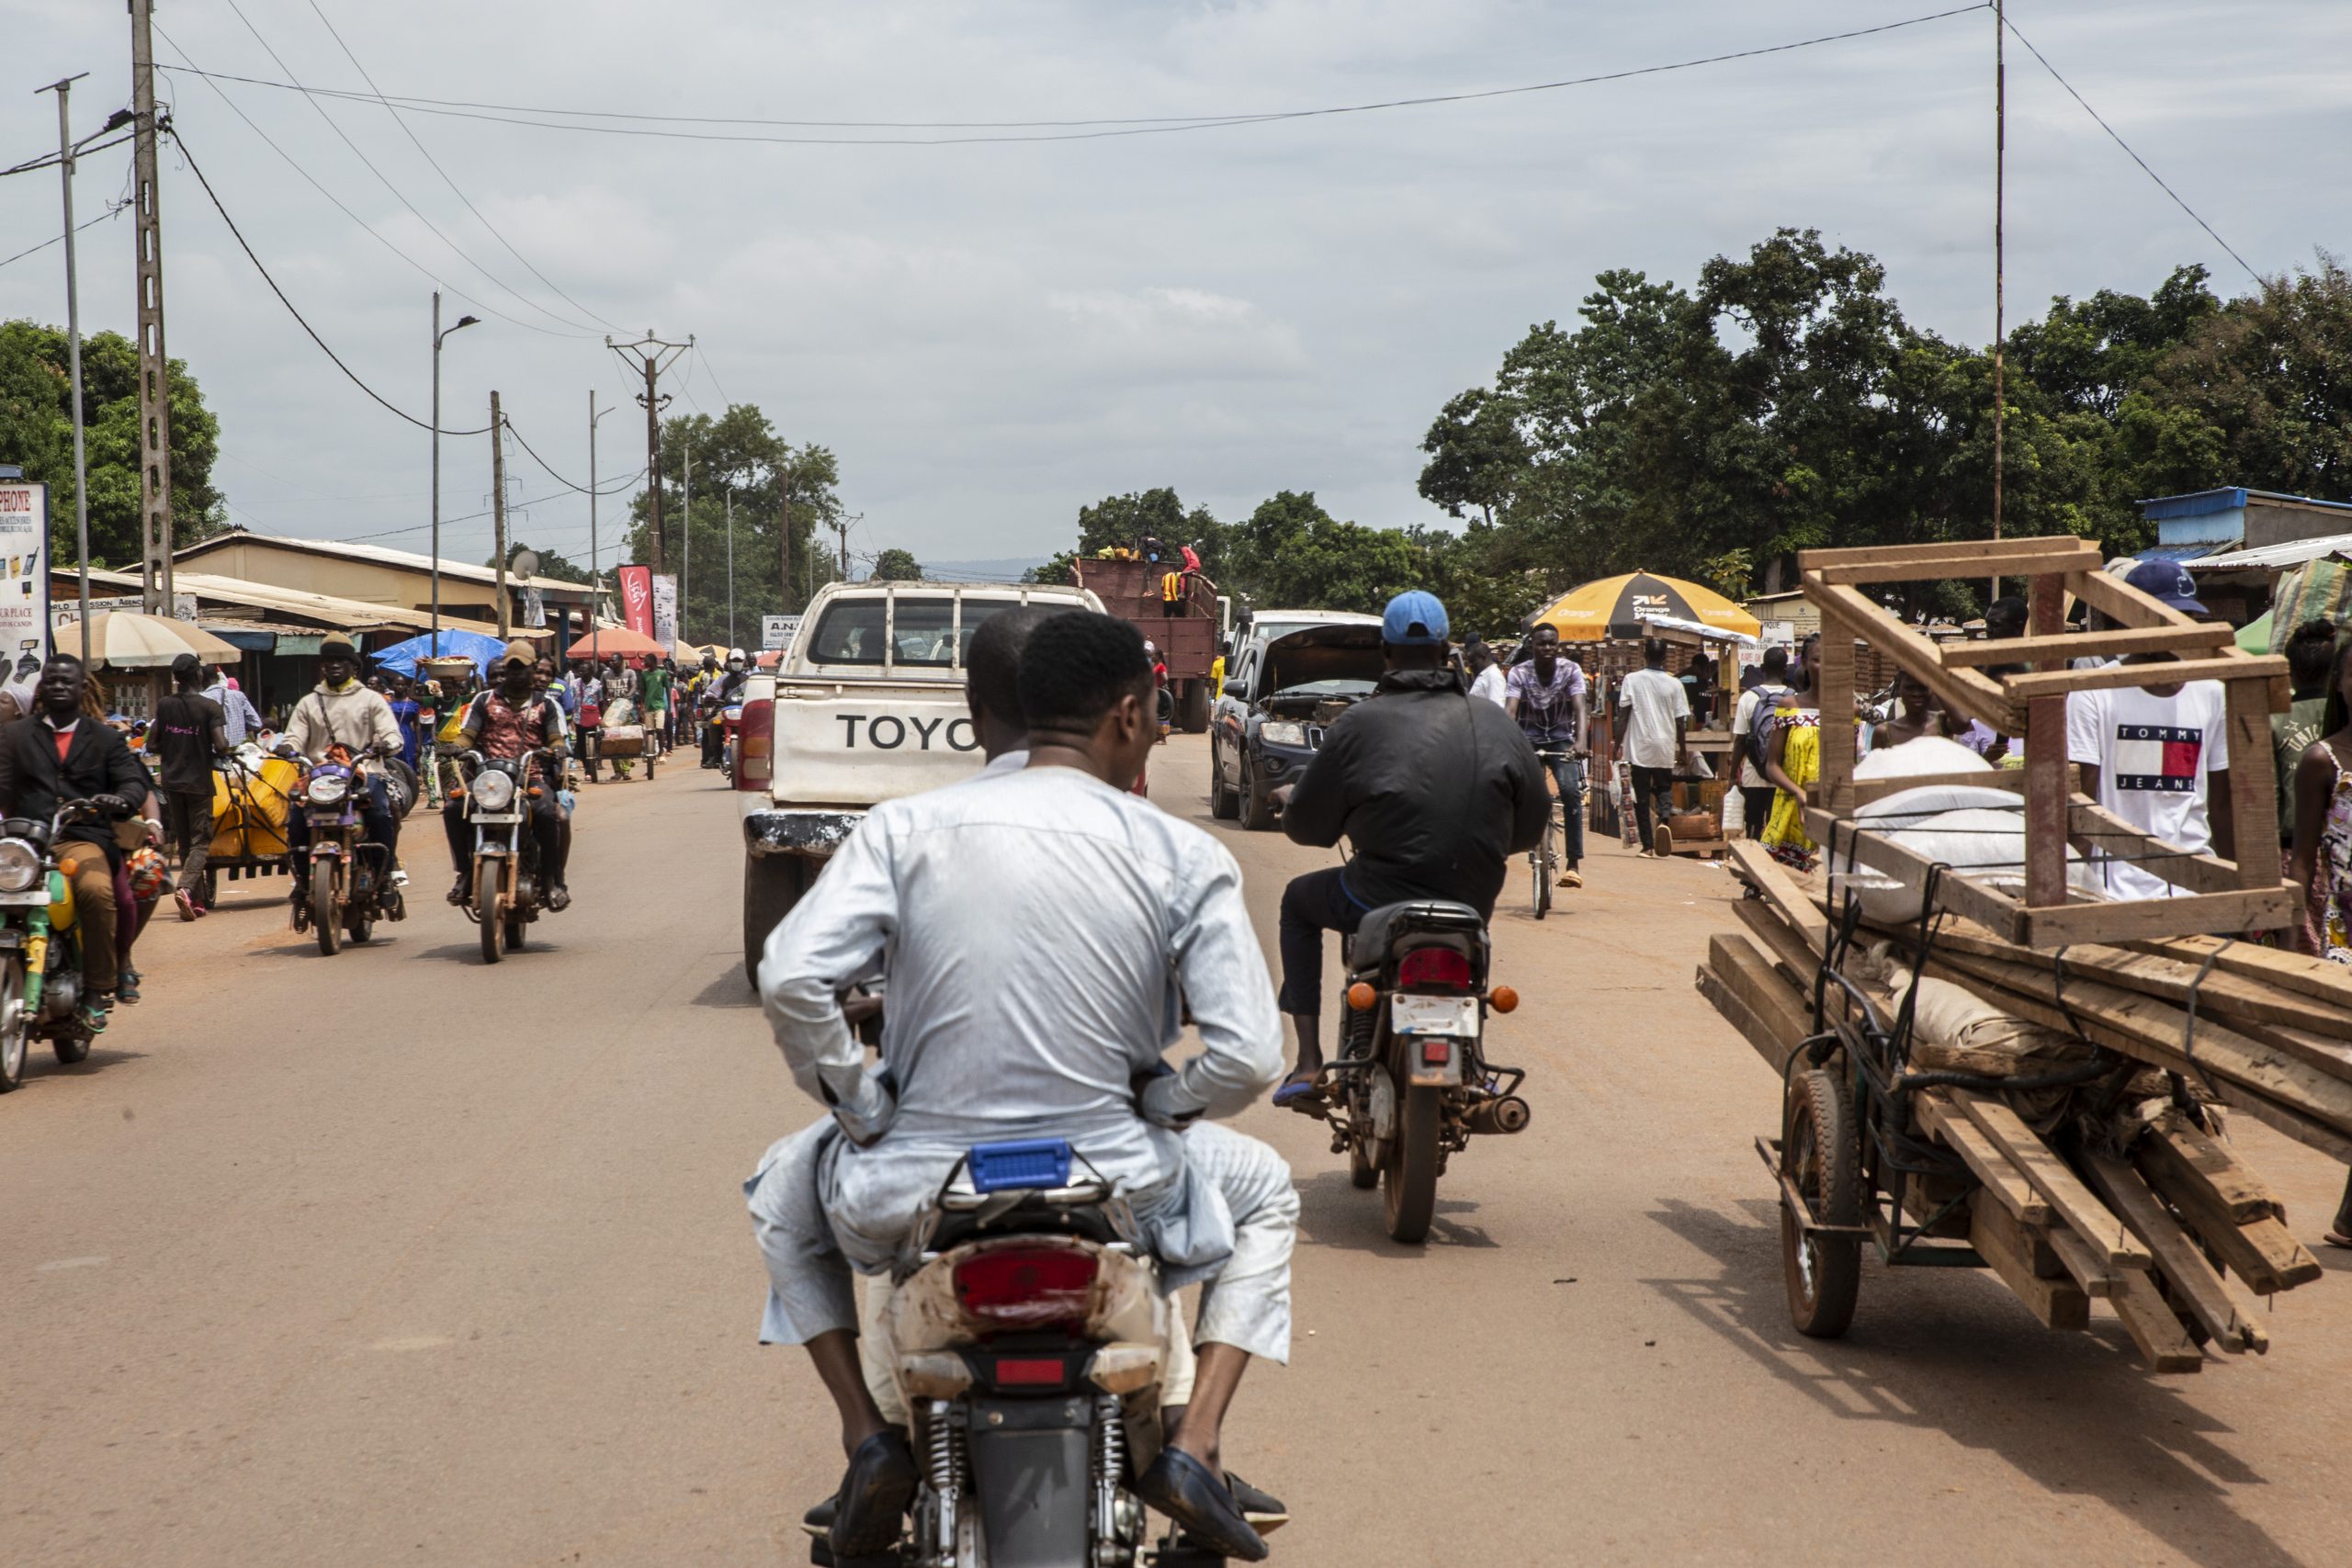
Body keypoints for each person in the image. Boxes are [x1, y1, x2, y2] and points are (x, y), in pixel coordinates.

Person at [752, 610, 1295, 1560]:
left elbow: (793, 975)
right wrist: (1161, 1104)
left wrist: (859, 1102)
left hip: (916, 1182)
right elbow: (1249, 1058)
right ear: (1128, 716)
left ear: (994, 714)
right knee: (1267, 1192)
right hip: (1116, 1181)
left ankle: (867, 1441)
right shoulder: (1177, 851)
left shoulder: (903, 830)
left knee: (779, 1195)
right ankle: (1198, 1443)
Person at [1272, 591, 1546, 1105]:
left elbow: (1309, 829)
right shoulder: (1496, 723)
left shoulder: (1356, 725)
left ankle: (1309, 1063)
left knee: (1297, 903)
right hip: (1470, 901)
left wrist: (1292, 802)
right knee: (1475, 959)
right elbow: (1530, 830)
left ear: (1387, 653)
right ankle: (1471, 1061)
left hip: (1375, 898)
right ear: (1447, 651)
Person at [2065, 563, 2233, 902]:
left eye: (2184, 620)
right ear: (2134, 622)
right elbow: (2081, 807)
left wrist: (2237, 889)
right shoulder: (2095, 693)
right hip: (2117, 895)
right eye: (2164, 619)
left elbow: (2223, 806)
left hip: (2197, 889)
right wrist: (2079, 897)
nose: (2176, 631)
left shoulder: (2212, 692)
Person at [0, 654, 151, 1030]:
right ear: (40, 688)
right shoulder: (14, 735)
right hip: (22, 842)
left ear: (82, 688)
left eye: (67, 681)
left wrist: (123, 799)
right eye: (51, 680)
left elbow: (133, 781)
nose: (58, 687)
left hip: (80, 839)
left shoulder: (105, 738)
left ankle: (98, 988)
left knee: (97, 891)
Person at [2285, 638, 2352, 1247]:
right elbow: (2303, 857)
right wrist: (2288, 934)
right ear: (2341, 682)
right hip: (2344, 930)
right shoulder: (2322, 760)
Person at [281, 636, 408, 913]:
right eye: (328, 661)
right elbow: (294, 736)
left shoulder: (371, 700)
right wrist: (286, 747)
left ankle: (384, 876)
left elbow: (391, 734)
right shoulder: (308, 703)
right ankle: (302, 882)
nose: (334, 666)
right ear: (321, 667)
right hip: (320, 778)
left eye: (341, 661)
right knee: (296, 822)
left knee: (380, 814)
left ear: (354, 667)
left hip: (365, 772)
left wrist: (384, 744)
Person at [446, 641, 571, 910]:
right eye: (511, 668)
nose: (515, 674)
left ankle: (552, 881)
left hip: (530, 777)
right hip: (490, 779)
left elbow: (555, 736)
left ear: (532, 670)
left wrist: (557, 749)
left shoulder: (545, 705)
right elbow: (469, 733)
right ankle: (465, 872)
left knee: (549, 814)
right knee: (454, 807)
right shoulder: (484, 700)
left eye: (521, 669)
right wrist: (459, 747)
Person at [1504, 625, 1589, 887]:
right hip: (1527, 739)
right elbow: (1510, 710)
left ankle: (1573, 863)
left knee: (1570, 790)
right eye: (1542, 644)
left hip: (1562, 739)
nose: (1547, 649)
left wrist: (1581, 741)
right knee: (1520, 792)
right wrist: (1506, 741)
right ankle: (1523, 839)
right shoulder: (1519, 673)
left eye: (1552, 643)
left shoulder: (1571, 670)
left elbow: (1580, 707)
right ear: (1532, 646)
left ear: (1558, 645)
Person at [150, 653, 229, 920]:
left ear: (175, 678)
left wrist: (174, 745)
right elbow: (221, 745)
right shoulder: (209, 707)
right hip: (198, 783)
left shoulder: (164, 705)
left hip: (171, 783)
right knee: (201, 841)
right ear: (197, 675)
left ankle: (196, 901)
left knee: (184, 842)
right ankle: (185, 889)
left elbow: (152, 744)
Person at [1618, 637, 1691, 858]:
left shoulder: (1632, 679)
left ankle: (1648, 846)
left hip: (1640, 746)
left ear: (1644, 654)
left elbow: (1623, 715)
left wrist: (1617, 743)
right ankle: (1665, 821)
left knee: (1640, 795)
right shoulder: (1675, 684)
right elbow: (1681, 721)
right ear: (1665, 657)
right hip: (1665, 745)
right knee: (1664, 787)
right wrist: (1683, 748)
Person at [1759, 632, 1824, 871]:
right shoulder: (1789, 707)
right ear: (1805, 664)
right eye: (1817, 660)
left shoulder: (1851, 712)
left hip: (1830, 813)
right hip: (1790, 812)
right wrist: (1799, 793)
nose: (1825, 666)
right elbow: (1772, 765)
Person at [2276, 619, 2337, 851]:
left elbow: (2270, 793)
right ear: (2335, 673)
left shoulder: (2274, 720)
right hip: (2342, 844)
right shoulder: (2345, 716)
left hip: (2292, 846)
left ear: (2288, 671)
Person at [1728, 645, 1792, 843]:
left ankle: (1753, 861)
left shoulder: (1748, 697)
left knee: (1753, 825)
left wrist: (1732, 775)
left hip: (1753, 773)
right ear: (1785, 671)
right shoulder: (1794, 699)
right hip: (1783, 774)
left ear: (1762, 668)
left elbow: (1740, 741)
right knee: (1777, 826)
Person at [1868, 670, 1939, 752]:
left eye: (1923, 687)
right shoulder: (1883, 733)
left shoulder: (1943, 724)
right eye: (1909, 688)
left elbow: (1958, 724)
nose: (1916, 694)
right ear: (1899, 690)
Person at [203, 666, 266, 748]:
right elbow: (256, 723)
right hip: (239, 755)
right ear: (218, 678)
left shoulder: (202, 698)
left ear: (201, 678)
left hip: (215, 755)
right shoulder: (239, 695)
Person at [639, 656, 673, 759]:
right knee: (650, 731)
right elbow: (642, 690)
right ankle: (650, 751)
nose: (644, 662)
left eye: (646, 660)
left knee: (659, 729)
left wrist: (670, 707)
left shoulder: (662, 673)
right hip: (649, 707)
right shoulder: (644, 674)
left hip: (660, 706)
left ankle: (661, 751)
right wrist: (642, 705)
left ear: (653, 661)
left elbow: (667, 689)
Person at [1465, 639, 1507, 707]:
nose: (1470, 665)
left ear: (1483, 657)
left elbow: (1497, 708)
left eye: (1472, 661)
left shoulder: (1494, 676)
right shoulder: (1486, 675)